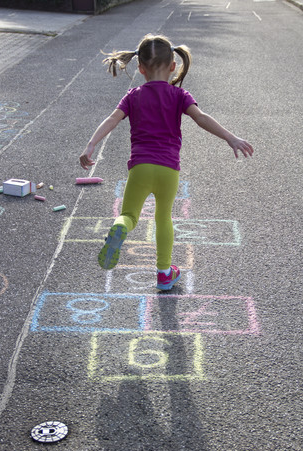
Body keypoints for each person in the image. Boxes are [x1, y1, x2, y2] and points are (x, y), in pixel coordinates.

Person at [79, 33, 253, 291]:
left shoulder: (133, 95)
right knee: (163, 218)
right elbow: (202, 117)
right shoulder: (179, 95)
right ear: (173, 66)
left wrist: (91, 144)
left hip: (140, 167)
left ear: (140, 68)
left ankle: (119, 227)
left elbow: (111, 120)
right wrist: (230, 137)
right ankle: (163, 274)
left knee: (129, 215)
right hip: (168, 170)